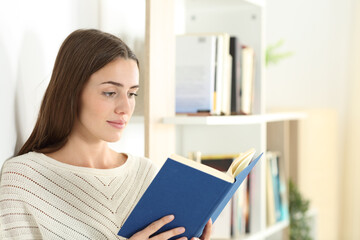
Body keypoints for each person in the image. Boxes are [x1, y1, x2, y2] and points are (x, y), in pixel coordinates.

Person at [0, 29, 212, 240]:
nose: (125, 108)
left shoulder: (145, 174)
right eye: (110, 93)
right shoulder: (23, 179)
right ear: (72, 91)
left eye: (131, 93)